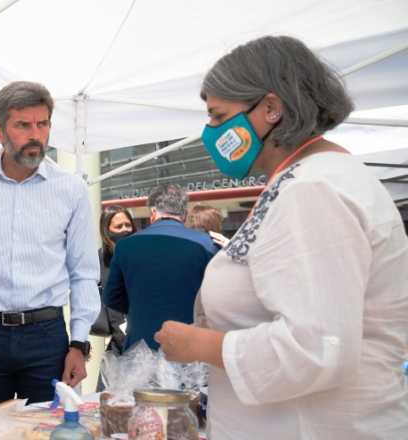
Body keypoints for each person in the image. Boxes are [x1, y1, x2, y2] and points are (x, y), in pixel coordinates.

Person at [154, 35, 408, 439]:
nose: (211, 133)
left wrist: (199, 345)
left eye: (219, 117)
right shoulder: (303, 181)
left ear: (271, 108)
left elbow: (315, 348)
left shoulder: (313, 190)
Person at [0, 81, 101, 405]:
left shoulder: (70, 189)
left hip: (48, 337)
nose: (35, 135)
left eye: (42, 124)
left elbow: (84, 271)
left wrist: (79, 343)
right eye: (23, 125)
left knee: (49, 430)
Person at [103, 184, 216, 350]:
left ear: (153, 213)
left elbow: (111, 297)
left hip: (140, 347)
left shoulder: (125, 246)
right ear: (184, 214)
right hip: (191, 347)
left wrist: (142, 306)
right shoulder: (208, 245)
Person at [93, 205, 133, 355]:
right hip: (117, 341)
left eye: (128, 225)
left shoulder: (142, 253)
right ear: (107, 231)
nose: (125, 230)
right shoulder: (99, 260)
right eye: (119, 226)